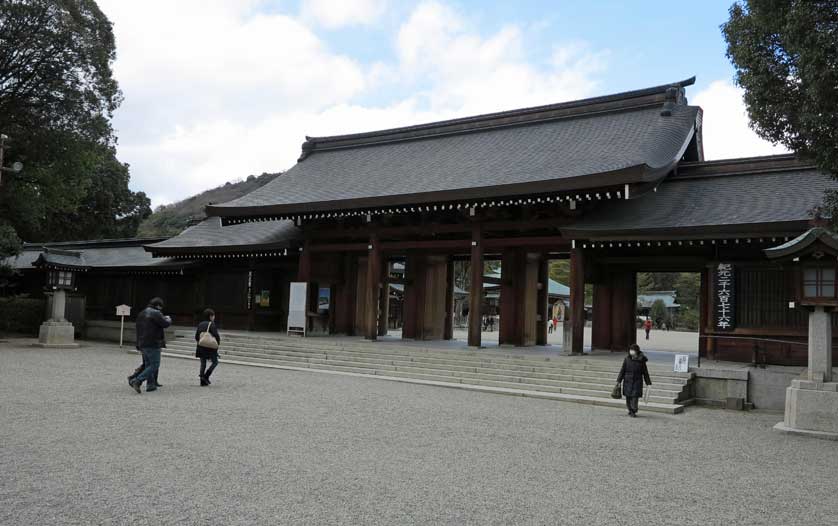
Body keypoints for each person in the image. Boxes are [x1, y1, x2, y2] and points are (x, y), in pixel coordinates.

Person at [129, 297, 171, 394]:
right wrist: (168, 319)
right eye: (161, 307)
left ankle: (151, 385)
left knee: (148, 364)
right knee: (154, 364)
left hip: (142, 342)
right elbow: (165, 324)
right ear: (158, 306)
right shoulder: (156, 313)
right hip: (153, 342)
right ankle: (137, 380)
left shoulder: (142, 313)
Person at [616, 343, 652, 417]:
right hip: (627, 381)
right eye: (630, 350)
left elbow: (645, 372)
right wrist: (619, 381)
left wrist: (648, 382)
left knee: (634, 397)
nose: (631, 351)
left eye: (632, 350)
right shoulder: (627, 359)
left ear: (636, 351)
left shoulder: (641, 360)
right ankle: (630, 409)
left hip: (637, 381)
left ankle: (634, 410)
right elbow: (622, 370)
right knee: (628, 397)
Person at [195, 308, 221, 386]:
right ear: (210, 316)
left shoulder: (200, 324)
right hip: (210, 347)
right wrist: (217, 345)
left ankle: (202, 380)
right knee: (215, 362)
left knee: (203, 363)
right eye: (213, 316)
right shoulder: (212, 324)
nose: (214, 317)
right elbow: (216, 336)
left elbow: (196, 336)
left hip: (201, 346)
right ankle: (206, 376)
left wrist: (200, 342)